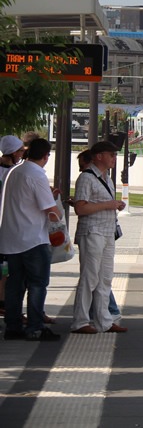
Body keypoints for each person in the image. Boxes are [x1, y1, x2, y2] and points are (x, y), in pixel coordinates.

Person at [0, 138, 61, 341]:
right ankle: (35, 327)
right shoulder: (36, 175)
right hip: (33, 239)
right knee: (37, 283)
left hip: (11, 238)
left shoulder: (14, 172)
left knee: (14, 284)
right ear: (46, 156)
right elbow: (50, 209)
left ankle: (13, 326)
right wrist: (56, 210)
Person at [70, 141, 128, 334]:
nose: (114, 157)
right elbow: (80, 207)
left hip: (107, 232)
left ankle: (104, 320)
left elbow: (103, 203)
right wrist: (108, 205)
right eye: (111, 154)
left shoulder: (106, 178)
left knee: (105, 278)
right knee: (89, 277)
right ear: (99, 156)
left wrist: (114, 205)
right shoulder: (86, 178)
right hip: (92, 231)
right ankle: (80, 321)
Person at [0, 135, 24, 318]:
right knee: (6, 269)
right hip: (8, 226)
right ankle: (4, 303)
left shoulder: (13, 171)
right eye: (22, 151)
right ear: (15, 152)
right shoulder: (14, 173)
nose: (23, 154)